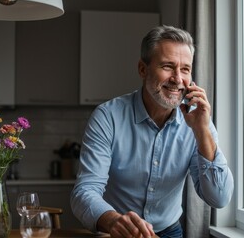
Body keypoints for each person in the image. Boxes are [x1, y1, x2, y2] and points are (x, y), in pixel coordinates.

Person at [71, 25, 234, 238]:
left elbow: (219, 198)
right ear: (142, 69)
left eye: (185, 69)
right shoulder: (108, 116)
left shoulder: (198, 121)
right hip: (117, 231)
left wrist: (202, 130)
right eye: (168, 66)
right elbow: (84, 191)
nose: (177, 79)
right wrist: (114, 222)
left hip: (169, 232)